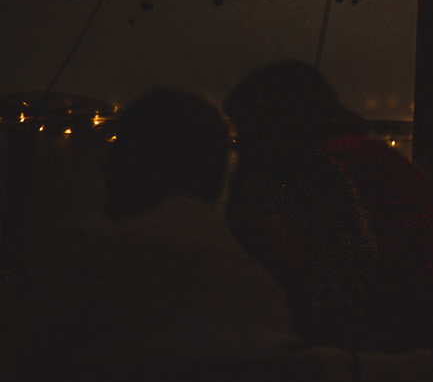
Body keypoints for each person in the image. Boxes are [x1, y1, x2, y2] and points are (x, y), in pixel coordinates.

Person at [224, 61, 433, 382]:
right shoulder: (375, 162)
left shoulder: (322, 174)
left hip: (385, 376)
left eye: (245, 132)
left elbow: (324, 289)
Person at [50, 87, 298, 365]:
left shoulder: (94, 261)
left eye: (118, 151)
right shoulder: (263, 295)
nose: (104, 167)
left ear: (140, 163)